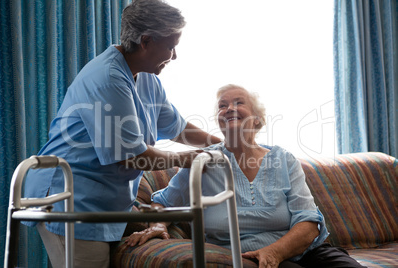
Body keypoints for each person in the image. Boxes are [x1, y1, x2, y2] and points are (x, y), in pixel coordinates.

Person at [22, 0, 221, 267]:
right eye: (171, 47)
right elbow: (131, 157)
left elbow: (180, 129)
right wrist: (185, 159)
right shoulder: (107, 78)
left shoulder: (148, 77)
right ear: (146, 41)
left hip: (109, 201)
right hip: (70, 198)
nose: (174, 56)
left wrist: (226, 146)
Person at [126, 84, 365, 268]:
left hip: (306, 251)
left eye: (239, 102)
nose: (229, 108)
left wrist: (274, 252)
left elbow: (309, 222)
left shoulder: (283, 159)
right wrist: (157, 224)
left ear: (258, 119)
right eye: (222, 105)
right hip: (246, 257)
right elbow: (165, 202)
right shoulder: (204, 160)